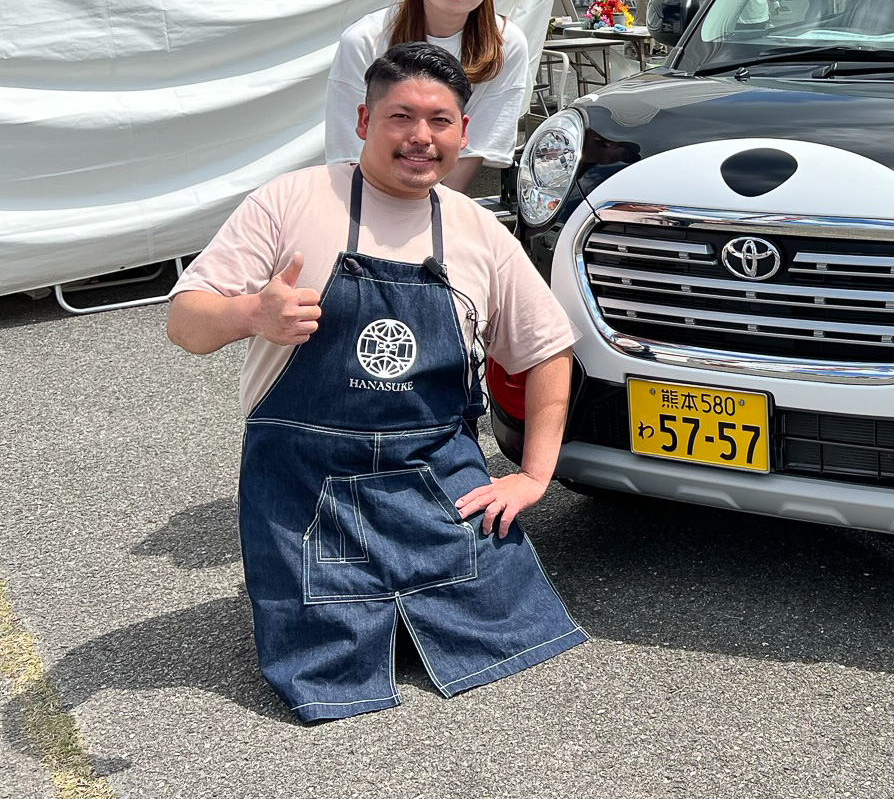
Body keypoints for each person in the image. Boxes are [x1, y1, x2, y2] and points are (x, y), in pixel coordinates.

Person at [168, 42, 586, 722]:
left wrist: (533, 474)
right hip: (305, 488)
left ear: (462, 133)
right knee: (322, 668)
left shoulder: (480, 232)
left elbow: (548, 350)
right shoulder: (290, 202)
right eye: (401, 116)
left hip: (435, 483)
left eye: (441, 121)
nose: (421, 137)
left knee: (504, 634)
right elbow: (185, 322)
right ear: (363, 120)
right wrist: (251, 313)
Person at [325, 0, 532, 193]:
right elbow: (348, 148)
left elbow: (477, 144)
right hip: (368, 190)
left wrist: (431, 211)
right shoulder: (364, 40)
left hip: (447, 193)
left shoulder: (506, 45)